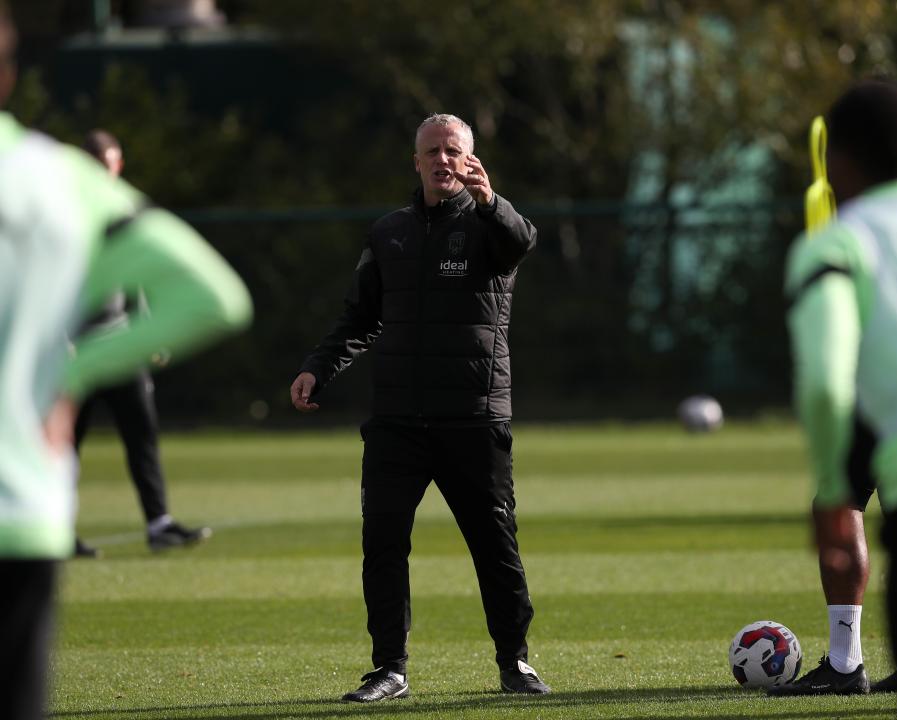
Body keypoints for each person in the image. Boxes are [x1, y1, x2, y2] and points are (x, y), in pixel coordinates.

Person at [0, 7, 253, 718]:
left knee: (141, 437)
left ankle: (157, 517)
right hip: (17, 510)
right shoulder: (59, 181)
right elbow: (216, 297)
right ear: (9, 75)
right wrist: (71, 372)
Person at [290, 113, 547, 702]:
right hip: (397, 421)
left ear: (471, 159)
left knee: (495, 546)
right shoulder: (389, 233)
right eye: (432, 151)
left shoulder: (490, 224)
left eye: (453, 150)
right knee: (383, 544)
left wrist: (491, 201)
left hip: (473, 418)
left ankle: (515, 663)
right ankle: (390, 669)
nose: (442, 159)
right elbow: (360, 317)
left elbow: (521, 242)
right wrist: (316, 367)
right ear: (416, 162)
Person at [780, 79, 897, 719]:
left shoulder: (837, 241)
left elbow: (827, 382)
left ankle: (845, 662)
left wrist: (833, 487)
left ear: (840, 156)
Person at [71, 129, 211, 557]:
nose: (104, 172)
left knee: (142, 435)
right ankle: (55, 530)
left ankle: (159, 524)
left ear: (119, 166)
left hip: (121, 343)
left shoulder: (124, 209)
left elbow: (138, 275)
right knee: (63, 444)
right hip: (76, 349)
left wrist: (150, 328)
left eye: (108, 164)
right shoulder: (66, 211)